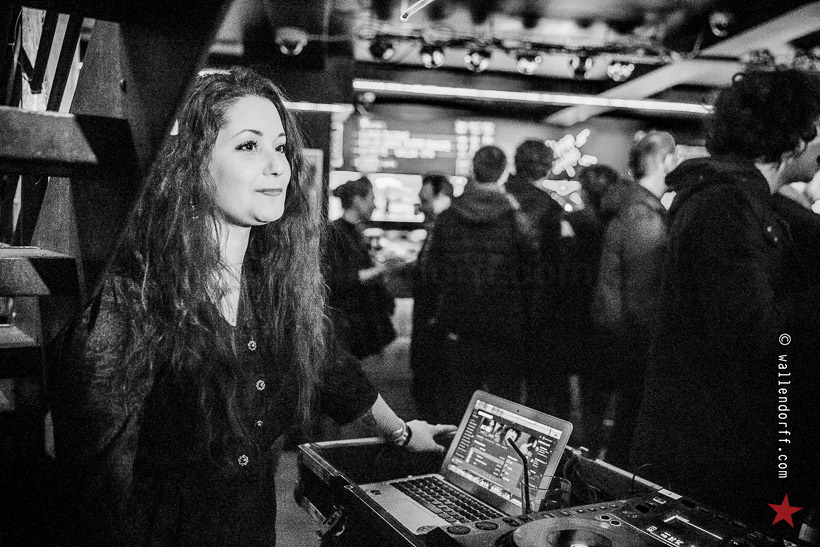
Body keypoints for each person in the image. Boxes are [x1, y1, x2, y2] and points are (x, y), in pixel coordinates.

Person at [48, 67, 456, 546]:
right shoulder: (133, 297)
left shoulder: (275, 288)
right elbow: (97, 492)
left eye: (280, 148)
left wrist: (402, 433)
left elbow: (335, 372)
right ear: (193, 164)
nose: (278, 166)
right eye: (248, 146)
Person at [630, 69, 820, 530]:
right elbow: (755, 336)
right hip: (720, 461)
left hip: (715, 451)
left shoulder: (737, 200)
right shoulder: (726, 206)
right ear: (794, 138)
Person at [424, 145, 536, 425]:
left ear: (473, 170)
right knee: (505, 410)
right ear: (503, 173)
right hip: (505, 327)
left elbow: (431, 273)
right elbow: (532, 274)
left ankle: (456, 453)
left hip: (459, 326)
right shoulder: (516, 219)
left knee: (458, 408)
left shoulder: (449, 218)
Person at [586, 131, 676, 468]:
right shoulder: (644, 216)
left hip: (616, 338)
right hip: (633, 343)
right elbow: (643, 295)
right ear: (666, 161)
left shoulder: (627, 207)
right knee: (628, 432)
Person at [504, 140, 566, 418]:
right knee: (537, 388)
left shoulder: (498, 197)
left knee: (503, 387)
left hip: (497, 303)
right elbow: (554, 264)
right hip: (536, 307)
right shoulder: (548, 206)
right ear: (546, 167)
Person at [325, 176, 401, 359]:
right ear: (357, 200)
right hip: (348, 322)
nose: (374, 205)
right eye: (371, 199)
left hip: (352, 321)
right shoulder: (337, 233)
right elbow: (342, 279)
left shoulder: (350, 231)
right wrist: (383, 269)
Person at [410, 173, 453, 422]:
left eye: (425, 200)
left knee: (434, 395)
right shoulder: (437, 229)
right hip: (429, 326)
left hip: (436, 328)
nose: (422, 206)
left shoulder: (448, 231)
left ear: (442, 197)